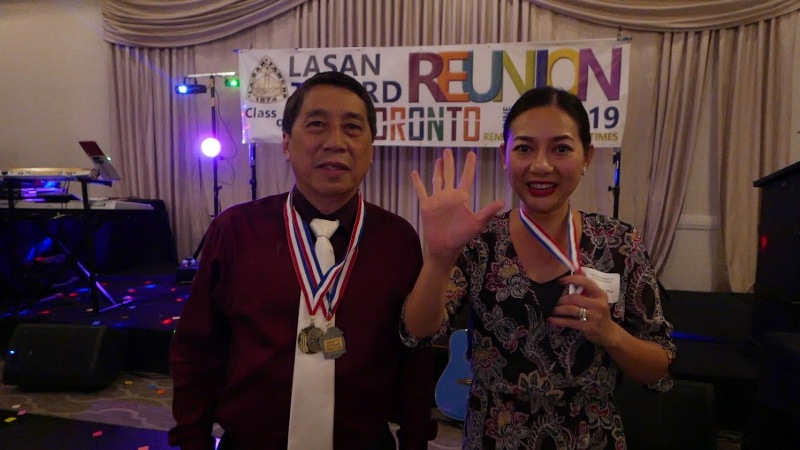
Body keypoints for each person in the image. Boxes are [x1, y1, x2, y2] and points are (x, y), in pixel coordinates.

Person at [169, 71, 437, 450]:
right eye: (316, 125)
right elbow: (198, 348)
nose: (336, 142)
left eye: (352, 127)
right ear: (286, 143)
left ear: (371, 149)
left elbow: (413, 359)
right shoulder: (236, 231)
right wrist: (192, 440)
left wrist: (415, 440)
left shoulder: (397, 240)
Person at [402, 86, 676, 449]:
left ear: (587, 156)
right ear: (504, 155)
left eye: (561, 149)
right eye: (524, 148)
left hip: (589, 438)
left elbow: (659, 366)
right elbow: (418, 332)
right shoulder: (480, 241)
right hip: (495, 437)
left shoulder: (618, 243)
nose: (541, 165)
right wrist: (439, 257)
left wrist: (610, 333)